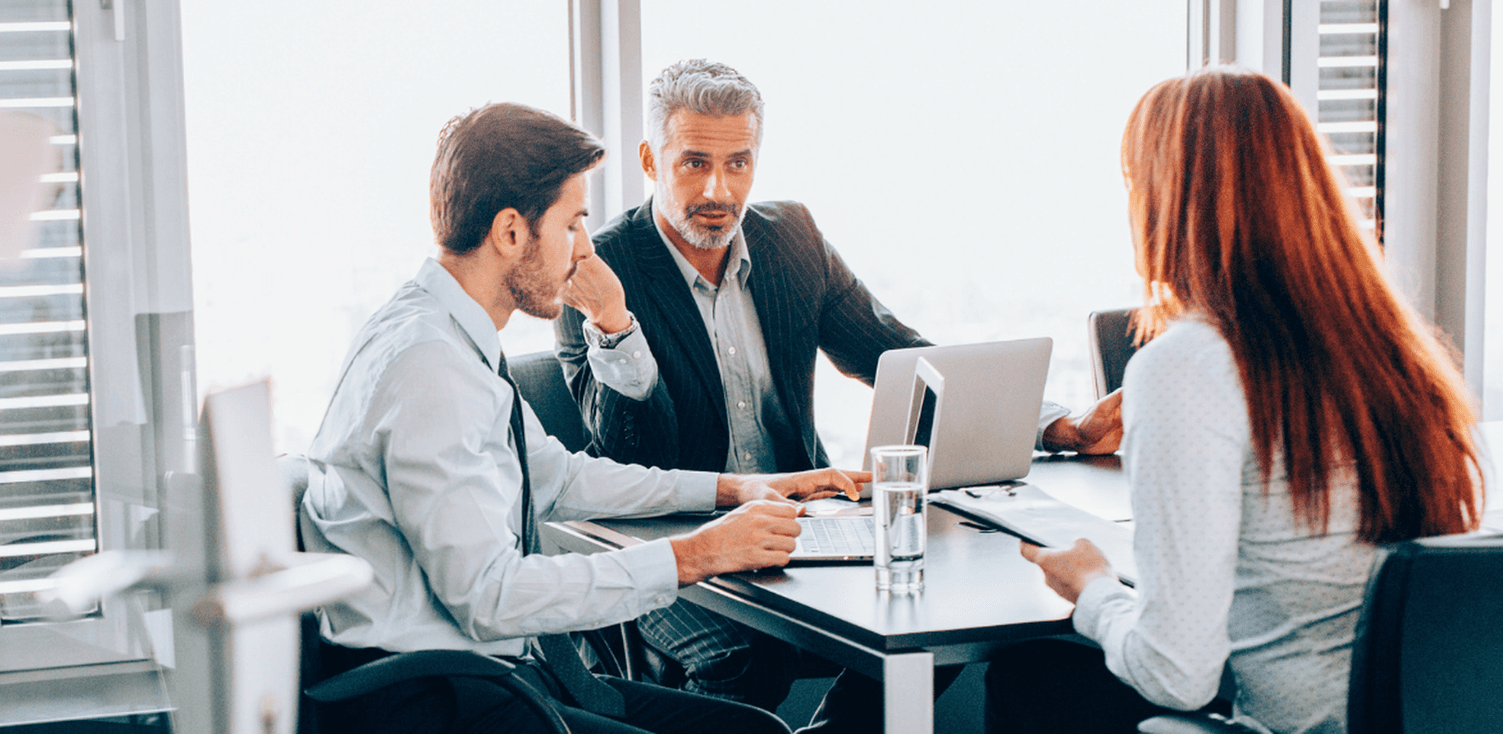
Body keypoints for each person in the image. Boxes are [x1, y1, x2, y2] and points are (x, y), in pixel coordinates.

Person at [553, 58, 1125, 729]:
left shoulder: (790, 236)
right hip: (671, 536)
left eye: (739, 163)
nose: (719, 187)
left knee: (937, 618)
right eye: (694, 163)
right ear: (652, 159)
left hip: (799, 524)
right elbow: (630, 452)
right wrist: (614, 324)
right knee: (745, 654)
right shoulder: (598, 271)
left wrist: (1058, 426)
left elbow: (900, 354)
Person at [299, 101, 874, 734]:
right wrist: (694, 555)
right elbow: (491, 597)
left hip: (493, 670)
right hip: (442, 697)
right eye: (573, 224)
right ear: (512, 233)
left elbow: (561, 477)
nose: (584, 250)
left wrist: (733, 489)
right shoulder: (429, 368)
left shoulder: (444, 333)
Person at [985, 66, 1487, 734]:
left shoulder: (1187, 364)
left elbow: (1176, 674)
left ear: (1172, 197)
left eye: (1134, 182)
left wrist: (1093, 587)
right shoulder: (1392, 351)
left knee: (1035, 680)